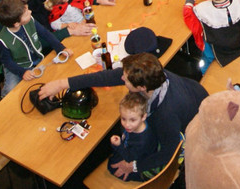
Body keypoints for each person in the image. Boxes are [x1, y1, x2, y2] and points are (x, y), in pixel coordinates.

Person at [39, 51, 208, 180]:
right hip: (194, 96)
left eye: (126, 80)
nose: (121, 78)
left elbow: (169, 153)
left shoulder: (165, 116)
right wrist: (62, 83)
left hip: (191, 131)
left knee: (115, 166)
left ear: (142, 88)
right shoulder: (154, 76)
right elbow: (109, 76)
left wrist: (133, 166)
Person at [0, 0, 67, 96]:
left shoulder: (30, 20)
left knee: (51, 76)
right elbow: (7, 62)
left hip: (36, 59)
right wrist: (22, 72)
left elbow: (46, 34)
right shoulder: (2, 40)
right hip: (17, 66)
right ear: (16, 23)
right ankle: (3, 101)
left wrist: (61, 48)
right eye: (26, 13)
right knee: (11, 90)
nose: (30, 12)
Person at [183, 0, 240, 66]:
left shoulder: (202, 9)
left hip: (217, 46)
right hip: (236, 38)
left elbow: (187, 13)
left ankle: (204, 70)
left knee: (207, 57)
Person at [104, 92, 160, 181]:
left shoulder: (142, 141)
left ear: (143, 117)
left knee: (111, 166)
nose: (127, 125)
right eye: (123, 119)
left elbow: (130, 158)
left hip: (141, 163)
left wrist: (118, 145)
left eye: (132, 120)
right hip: (133, 151)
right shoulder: (135, 126)